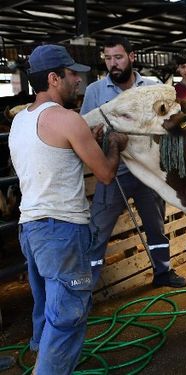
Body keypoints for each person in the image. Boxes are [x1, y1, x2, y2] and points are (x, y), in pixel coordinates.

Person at [9, 44, 127, 374]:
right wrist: (114, 147)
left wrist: (82, 137)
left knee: (47, 306)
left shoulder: (21, 121)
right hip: (61, 230)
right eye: (72, 74)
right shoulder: (68, 120)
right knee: (68, 317)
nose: (78, 80)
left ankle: (41, 356)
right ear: (53, 78)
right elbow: (104, 174)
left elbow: (50, 153)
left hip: (30, 228)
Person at [81, 36, 186, 288]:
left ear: (132, 56)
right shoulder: (94, 92)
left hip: (148, 171)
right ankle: (87, 285)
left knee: (155, 225)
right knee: (98, 229)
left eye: (118, 57)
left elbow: (179, 119)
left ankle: (163, 272)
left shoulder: (153, 87)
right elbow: (83, 130)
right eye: (108, 59)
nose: (113, 64)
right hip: (113, 172)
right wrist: (95, 138)